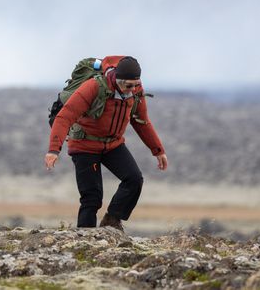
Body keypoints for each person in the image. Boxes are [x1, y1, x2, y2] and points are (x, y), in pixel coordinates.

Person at [44, 56, 168, 231]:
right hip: (84, 144)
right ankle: (85, 240)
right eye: (128, 86)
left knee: (134, 179)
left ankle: (112, 220)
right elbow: (65, 116)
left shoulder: (136, 90)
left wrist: (158, 150)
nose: (132, 90)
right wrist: (53, 150)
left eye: (136, 85)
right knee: (91, 199)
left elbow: (141, 122)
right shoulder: (94, 87)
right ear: (117, 79)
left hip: (113, 145)